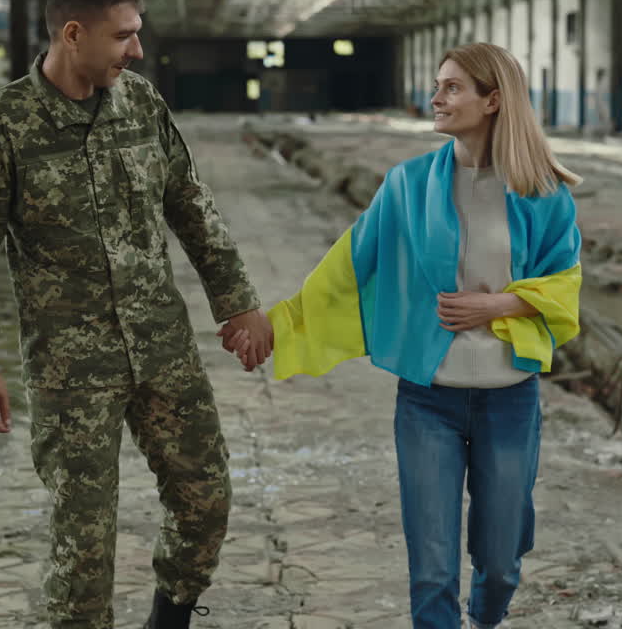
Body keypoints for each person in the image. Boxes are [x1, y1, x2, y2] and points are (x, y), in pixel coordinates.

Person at [0, 0, 274, 629]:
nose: (138, 49)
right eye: (124, 36)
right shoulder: (2, 124)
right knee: (84, 539)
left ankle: (170, 616)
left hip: (162, 346)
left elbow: (189, 203)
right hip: (71, 364)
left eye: (137, 32)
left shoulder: (143, 103)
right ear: (73, 34)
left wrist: (237, 302)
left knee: (206, 498)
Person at [234, 43, 582, 629]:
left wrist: (495, 305)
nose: (436, 98)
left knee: (499, 563)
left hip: (510, 398)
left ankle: (487, 617)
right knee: (432, 566)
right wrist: (279, 320)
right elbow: (350, 264)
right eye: (438, 85)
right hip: (429, 400)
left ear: (493, 100)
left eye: (452, 88)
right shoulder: (409, 184)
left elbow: (565, 283)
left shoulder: (543, 193)